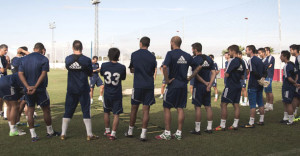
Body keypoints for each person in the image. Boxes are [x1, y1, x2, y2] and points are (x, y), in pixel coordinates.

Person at [155, 36, 202, 140]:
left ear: (172, 43)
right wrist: (190, 77)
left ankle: (167, 133)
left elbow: (164, 67)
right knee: (180, 108)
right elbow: (199, 66)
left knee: (167, 107)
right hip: (183, 86)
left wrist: (166, 80)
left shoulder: (170, 53)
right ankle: (179, 133)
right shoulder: (187, 55)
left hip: (172, 85)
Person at [18, 42, 60, 142]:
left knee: (30, 111)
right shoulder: (44, 59)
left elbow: (20, 74)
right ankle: (50, 132)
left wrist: (28, 86)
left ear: (34, 48)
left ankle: (33, 135)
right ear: (42, 50)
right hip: (40, 89)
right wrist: (35, 86)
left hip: (28, 90)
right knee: (46, 110)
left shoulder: (23, 59)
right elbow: (43, 74)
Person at [61, 40, 98, 141]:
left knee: (68, 111)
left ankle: (63, 134)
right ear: (82, 48)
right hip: (83, 88)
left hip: (71, 88)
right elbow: (90, 73)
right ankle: (89, 134)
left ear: (73, 48)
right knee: (86, 110)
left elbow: (68, 67)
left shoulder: (68, 59)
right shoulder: (86, 60)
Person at [125, 36, 157, 141]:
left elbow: (132, 70)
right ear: (149, 44)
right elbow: (153, 71)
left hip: (138, 85)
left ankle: (130, 131)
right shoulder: (152, 57)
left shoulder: (134, 54)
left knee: (134, 109)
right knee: (146, 110)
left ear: (140, 43)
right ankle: (143, 135)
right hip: (149, 85)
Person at [215, 45, 246, 131]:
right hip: (238, 86)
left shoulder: (232, 61)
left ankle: (222, 125)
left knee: (223, 104)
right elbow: (243, 76)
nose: (229, 53)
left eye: (229, 51)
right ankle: (235, 125)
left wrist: (227, 73)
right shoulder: (242, 62)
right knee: (236, 105)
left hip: (230, 86)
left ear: (232, 51)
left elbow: (226, 74)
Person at [100, 48, 126, 140]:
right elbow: (122, 78)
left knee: (106, 112)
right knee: (116, 114)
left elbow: (102, 74)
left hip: (107, 93)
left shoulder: (104, 65)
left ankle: (107, 130)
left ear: (109, 55)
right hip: (117, 93)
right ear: (118, 56)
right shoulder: (122, 67)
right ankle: (113, 134)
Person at [189, 43, 215, 135]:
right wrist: (209, 84)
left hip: (199, 86)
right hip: (207, 86)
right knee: (208, 107)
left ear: (195, 49)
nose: (192, 50)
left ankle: (197, 129)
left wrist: (204, 83)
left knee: (197, 107)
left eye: (192, 49)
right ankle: (209, 128)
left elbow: (196, 74)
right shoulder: (209, 58)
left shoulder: (194, 60)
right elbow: (214, 73)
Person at [241, 45, 267, 128]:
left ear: (251, 51)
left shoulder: (251, 60)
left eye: (246, 50)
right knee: (260, 103)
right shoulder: (260, 60)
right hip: (260, 84)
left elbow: (254, 72)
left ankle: (251, 122)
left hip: (253, 84)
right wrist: (262, 79)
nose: (245, 52)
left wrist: (259, 78)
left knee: (252, 104)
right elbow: (265, 71)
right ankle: (261, 120)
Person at [280, 50, 298, 125]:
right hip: (289, 86)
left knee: (288, 103)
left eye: (281, 56)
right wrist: (295, 82)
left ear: (285, 57)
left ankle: (290, 120)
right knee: (285, 102)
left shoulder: (287, 66)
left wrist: (294, 83)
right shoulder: (292, 64)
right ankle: (286, 118)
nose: (280, 57)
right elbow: (296, 75)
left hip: (288, 87)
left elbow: (289, 78)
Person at [290, 44, 300, 117]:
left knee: (295, 97)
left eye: (291, 50)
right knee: (297, 97)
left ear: (295, 50)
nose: (290, 52)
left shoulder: (299, 58)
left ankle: (293, 114)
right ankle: (295, 112)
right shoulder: (297, 58)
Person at [264, 47, 275, 111]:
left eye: (265, 51)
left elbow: (269, 65)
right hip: (265, 76)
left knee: (269, 91)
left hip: (269, 75)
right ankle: (267, 104)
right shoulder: (265, 58)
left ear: (268, 51)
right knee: (266, 91)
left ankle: (271, 105)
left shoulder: (271, 58)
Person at [0, 44, 9, 118]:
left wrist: (7, 61)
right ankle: (5, 114)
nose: (6, 51)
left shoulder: (3, 57)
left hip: (3, 79)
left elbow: (8, 68)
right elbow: (2, 70)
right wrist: (7, 64)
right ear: (0, 49)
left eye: (7, 50)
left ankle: (1, 112)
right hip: (1, 79)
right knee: (5, 96)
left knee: (2, 97)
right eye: (5, 50)